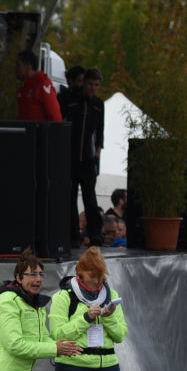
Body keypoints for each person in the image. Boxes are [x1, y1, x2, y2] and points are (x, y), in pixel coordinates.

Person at [71, 67, 106, 245]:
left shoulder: (99, 104)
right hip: (70, 156)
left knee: (90, 197)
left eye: (97, 85)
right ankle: (72, 235)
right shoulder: (72, 100)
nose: (93, 88)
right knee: (70, 197)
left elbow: (100, 129)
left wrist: (98, 148)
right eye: (91, 84)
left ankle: (95, 234)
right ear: (84, 82)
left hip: (88, 156)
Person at [15, 50, 62, 122]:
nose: (15, 68)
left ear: (27, 67)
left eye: (18, 65)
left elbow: (55, 117)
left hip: (39, 129)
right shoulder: (24, 88)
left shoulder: (42, 85)